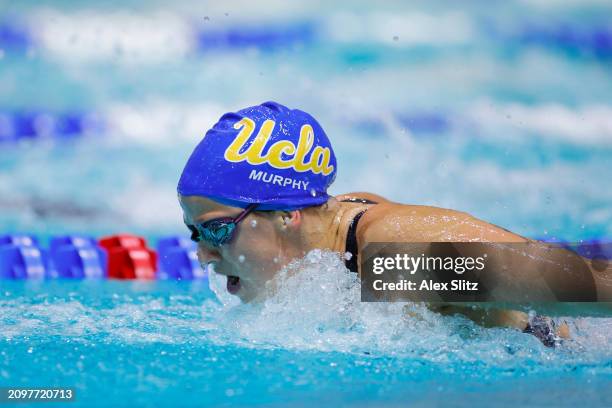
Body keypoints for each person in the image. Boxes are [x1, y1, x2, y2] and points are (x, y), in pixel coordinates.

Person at [178, 101, 610, 346]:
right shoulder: (329, 235)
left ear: (287, 215)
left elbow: (590, 288)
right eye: (195, 233)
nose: (203, 255)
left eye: (217, 230)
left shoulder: (399, 260)